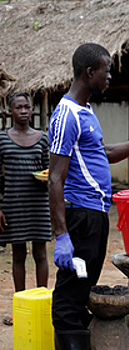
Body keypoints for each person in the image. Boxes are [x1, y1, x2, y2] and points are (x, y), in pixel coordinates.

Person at [48, 43, 129, 349]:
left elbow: (103, 153)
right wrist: (61, 234)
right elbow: (55, 177)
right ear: (89, 72)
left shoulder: (85, 111)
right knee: (69, 298)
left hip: (94, 217)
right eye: (106, 69)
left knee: (82, 290)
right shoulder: (66, 115)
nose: (109, 75)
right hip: (79, 217)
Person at [0, 92, 52, 326]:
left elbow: (50, 170)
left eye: (27, 107)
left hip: (39, 203)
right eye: (18, 107)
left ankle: (41, 305)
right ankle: (20, 310)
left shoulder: (42, 138)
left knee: (41, 254)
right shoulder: (2, 138)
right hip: (12, 204)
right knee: (18, 255)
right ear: (9, 111)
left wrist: (45, 178)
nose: (23, 111)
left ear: (32, 110)